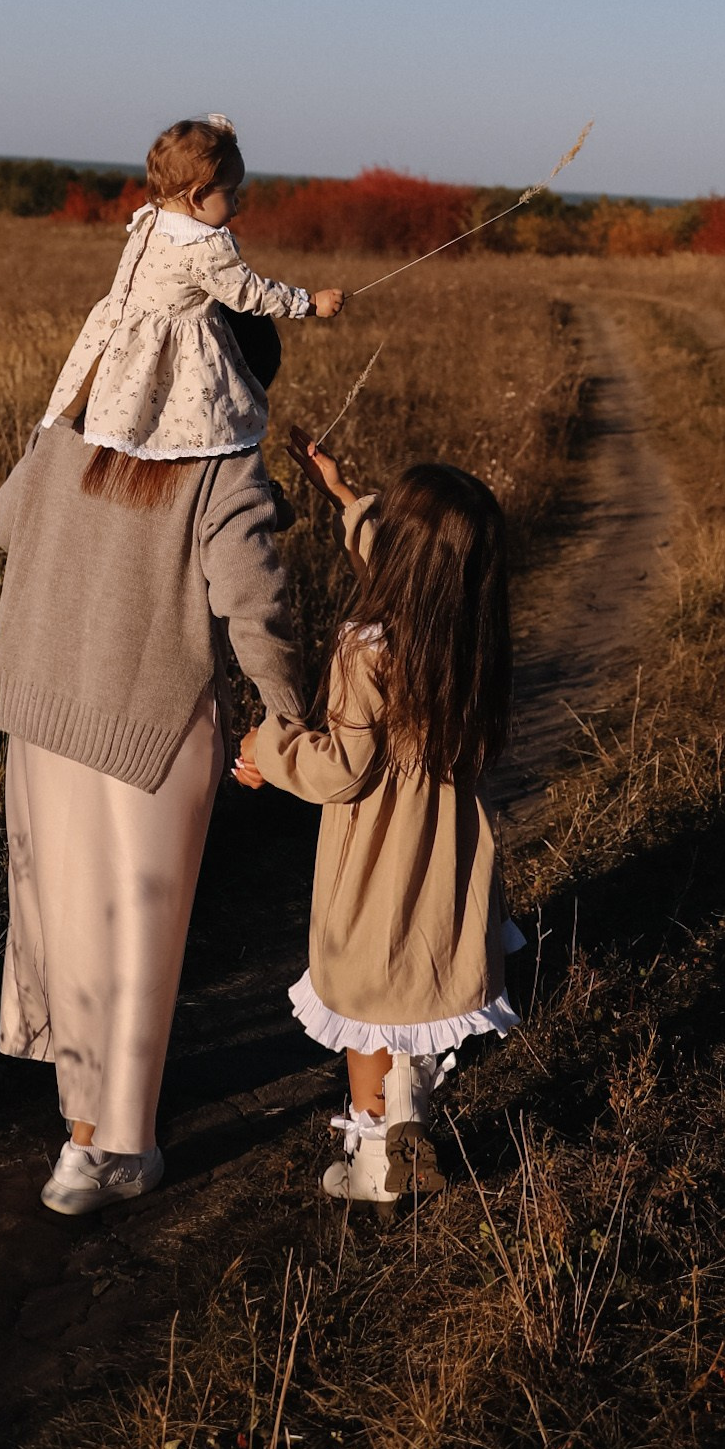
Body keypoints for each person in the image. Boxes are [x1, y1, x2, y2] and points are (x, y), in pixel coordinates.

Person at [0, 151, 314, 1218]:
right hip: (146, 715)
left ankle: (81, 1126)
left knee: (62, 913)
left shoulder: (77, 423)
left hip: (38, 698)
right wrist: (286, 712)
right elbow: (250, 599)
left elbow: (6, 518)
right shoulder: (223, 458)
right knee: (136, 927)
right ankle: (108, 1147)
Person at [236, 445, 524, 1206]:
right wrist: (343, 496)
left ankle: (373, 1166)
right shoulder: (468, 634)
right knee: (418, 979)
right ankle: (407, 1112)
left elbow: (339, 769)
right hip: (446, 854)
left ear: (399, 557)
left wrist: (268, 745)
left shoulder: (368, 646)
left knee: (365, 1001)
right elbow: (418, 555)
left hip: (375, 858)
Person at [41, 114, 344, 462]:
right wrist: (308, 302)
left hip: (121, 338)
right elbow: (249, 293)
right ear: (199, 197)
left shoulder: (152, 219)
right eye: (230, 194)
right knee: (187, 414)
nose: (236, 205)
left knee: (128, 399)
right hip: (171, 345)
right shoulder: (204, 246)